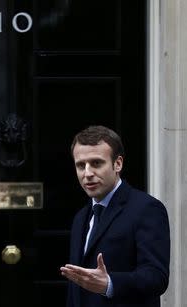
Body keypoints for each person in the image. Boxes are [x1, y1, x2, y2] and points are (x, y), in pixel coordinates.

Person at [60, 125, 170, 307]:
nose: (87, 173)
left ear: (117, 163)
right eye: (81, 165)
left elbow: (156, 277)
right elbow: (76, 287)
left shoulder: (147, 208)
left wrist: (109, 284)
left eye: (96, 163)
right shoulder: (80, 217)